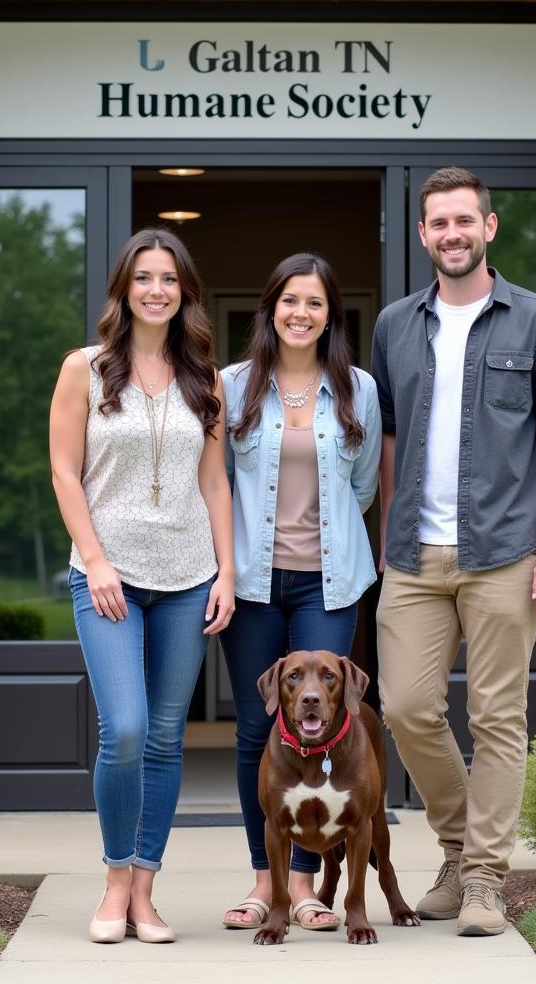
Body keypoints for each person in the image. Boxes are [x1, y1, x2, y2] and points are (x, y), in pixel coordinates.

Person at [371, 168, 536, 937]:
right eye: (439, 223)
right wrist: (386, 535)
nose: (453, 234)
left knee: (497, 715)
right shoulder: (397, 324)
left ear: (489, 227)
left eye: (465, 220)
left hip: (504, 551)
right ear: (424, 235)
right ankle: (463, 850)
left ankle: (485, 883)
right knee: (404, 707)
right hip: (413, 556)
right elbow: (391, 435)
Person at [49, 227, 235, 945]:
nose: (156, 290)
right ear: (124, 290)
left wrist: (227, 570)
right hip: (109, 578)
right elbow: (66, 472)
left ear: (186, 291)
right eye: (143, 278)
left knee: (163, 738)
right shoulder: (85, 370)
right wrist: (95, 559)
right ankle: (114, 878)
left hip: (189, 578)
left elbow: (214, 482)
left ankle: (147, 890)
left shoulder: (205, 379)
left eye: (169, 279)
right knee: (123, 730)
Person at [219, 253, 381, 932]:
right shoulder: (231, 387)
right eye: (290, 301)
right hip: (253, 579)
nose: (300, 314)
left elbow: (364, 485)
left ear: (329, 315)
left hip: (330, 579)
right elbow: (217, 480)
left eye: (314, 303)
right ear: (271, 308)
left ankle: (305, 886)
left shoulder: (358, 390)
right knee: (261, 727)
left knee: (322, 727)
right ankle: (266, 881)